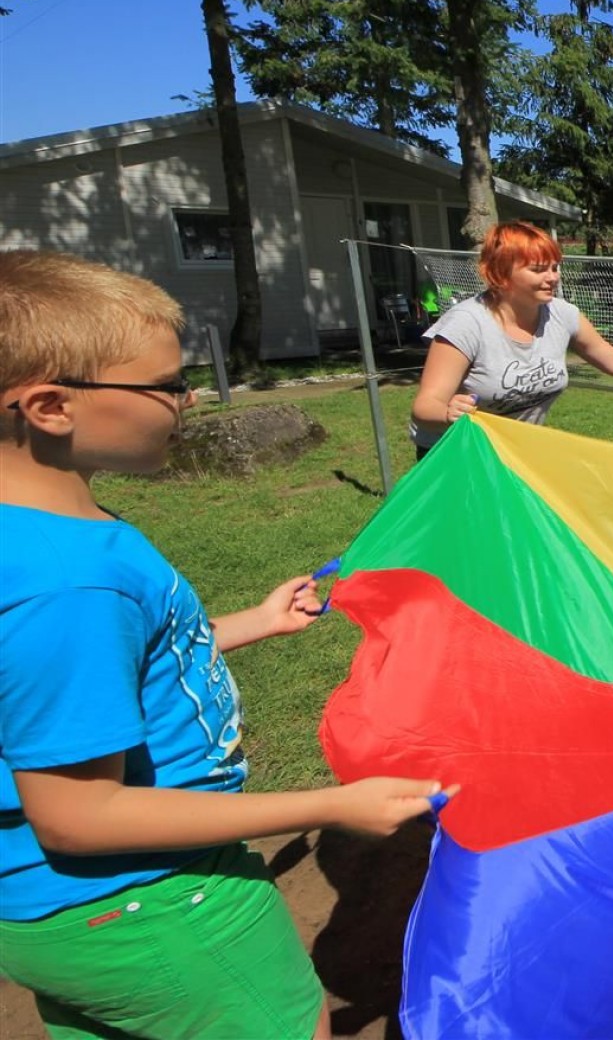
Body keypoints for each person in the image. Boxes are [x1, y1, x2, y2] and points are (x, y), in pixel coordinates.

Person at [0, 251, 448, 1039]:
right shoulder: (69, 583)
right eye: (166, 385)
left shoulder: (45, 535)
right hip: (157, 902)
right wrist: (332, 806)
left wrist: (249, 623)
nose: (189, 397)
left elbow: (111, 665)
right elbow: (78, 814)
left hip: (64, 913)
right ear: (49, 405)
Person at [409, 221, 613, 456]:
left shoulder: (562, 314)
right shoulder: (466, 324)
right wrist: (447, 412)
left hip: (516, 452)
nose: (553, 277)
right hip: (453, 454)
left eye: (555, 267)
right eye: (539, 269)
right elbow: (424, 408)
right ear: (501, 273)